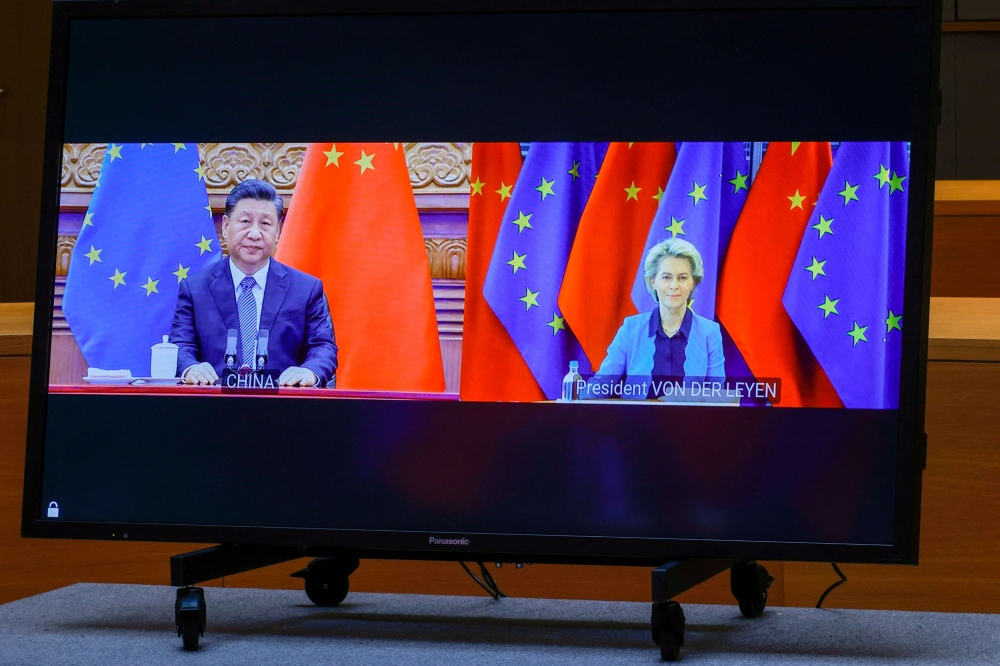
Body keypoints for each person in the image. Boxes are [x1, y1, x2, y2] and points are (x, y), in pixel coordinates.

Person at [170, 179, 338, 386]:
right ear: (226, 226)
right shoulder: (195, 289)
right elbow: (181, 345)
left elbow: (323, 347)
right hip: (213, 408)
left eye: (266, 224)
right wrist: (191, 368)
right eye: (245, 222)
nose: (255, 234)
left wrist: (309, 372)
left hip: (284, 406)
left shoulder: (306, 289)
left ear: (277, 232)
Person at [593, 238, 724, 394]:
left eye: (682, 277)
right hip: (636, 418)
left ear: (692, 283)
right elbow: (601, 384)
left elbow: (717, 395)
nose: (674, 285)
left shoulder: (710, 332)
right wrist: (573, 403)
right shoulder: (631, 328)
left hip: (691, 419)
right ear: (653, 281)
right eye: (666, 277)